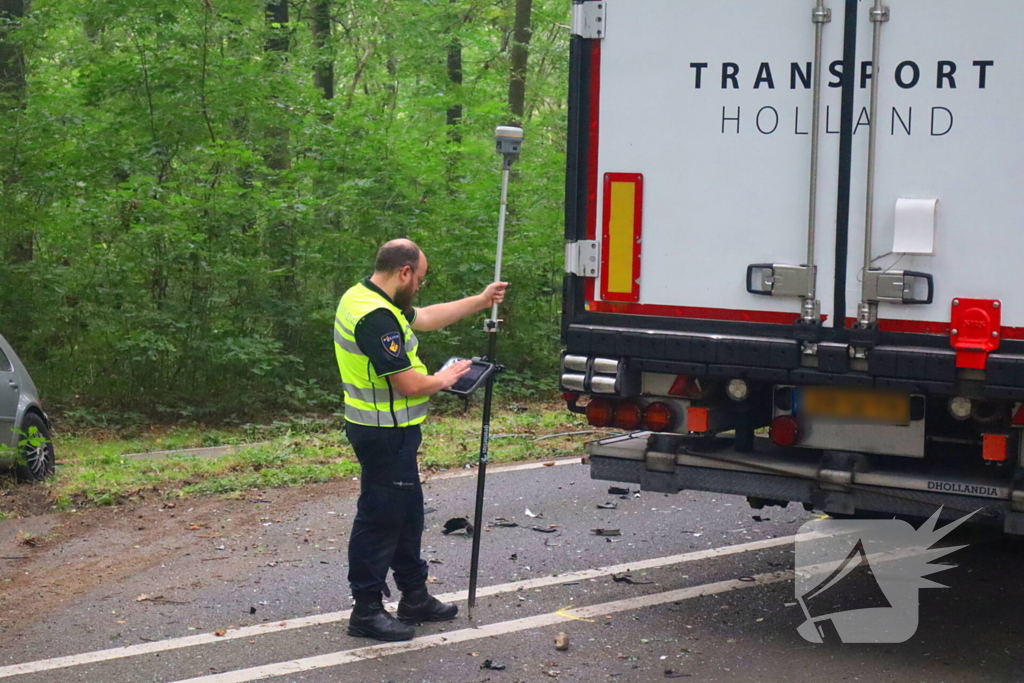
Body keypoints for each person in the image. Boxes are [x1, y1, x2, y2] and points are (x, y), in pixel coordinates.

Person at [333, 238, 507, 642]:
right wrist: (447, 378)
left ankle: (414, 596)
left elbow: (426, 318)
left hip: (395, 431)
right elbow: (410, 384)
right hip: (381, 433)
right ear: (405, 272)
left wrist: (481, 301)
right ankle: (366, 611)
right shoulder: (374, 316)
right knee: (379, 519)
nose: (419, 288)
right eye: (421, 280)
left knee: (407, 513)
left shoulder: (369, 296)